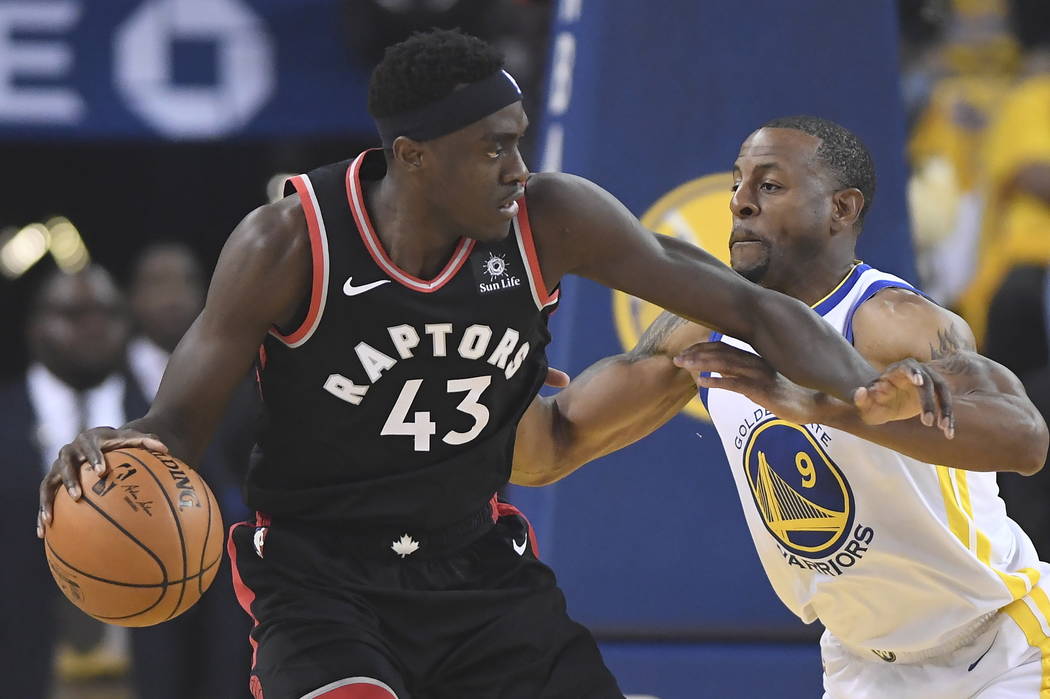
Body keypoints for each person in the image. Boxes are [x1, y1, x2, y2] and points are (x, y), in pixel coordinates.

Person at [39, 33, 946, 699]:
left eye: (520, 137)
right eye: (493, 148)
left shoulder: (553, 216)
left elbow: (747, 305)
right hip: (322, 579)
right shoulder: (291, 241)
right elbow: (177, 427)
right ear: (412, 157)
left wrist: (863, 388)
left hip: (475, 567)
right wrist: (119, 451)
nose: (519, 167)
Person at [511, 116, 1050, 698]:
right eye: (738, 184)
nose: (741, 203)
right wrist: (495, 368)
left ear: (842, 209)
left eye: (769, 186)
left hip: (1000, 649)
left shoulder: (891, 320)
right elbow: (546, 454)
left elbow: (1025, 443)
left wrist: (828, 407)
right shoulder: (703, 330)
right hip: (860, 667)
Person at [2, 265, 141, 698]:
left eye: (107, 312)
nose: (94, 326)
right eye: (74, 313)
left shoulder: (166, 425)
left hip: (146, 675)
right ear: (35, 325)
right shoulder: (4, 421)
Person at [125, 242, 255, 699]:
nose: (173, 296)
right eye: (158, 283)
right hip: (138, 563)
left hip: (226, 574)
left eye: (184, 282)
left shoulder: (246, 379)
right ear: (133, 298)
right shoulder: (109, 384)